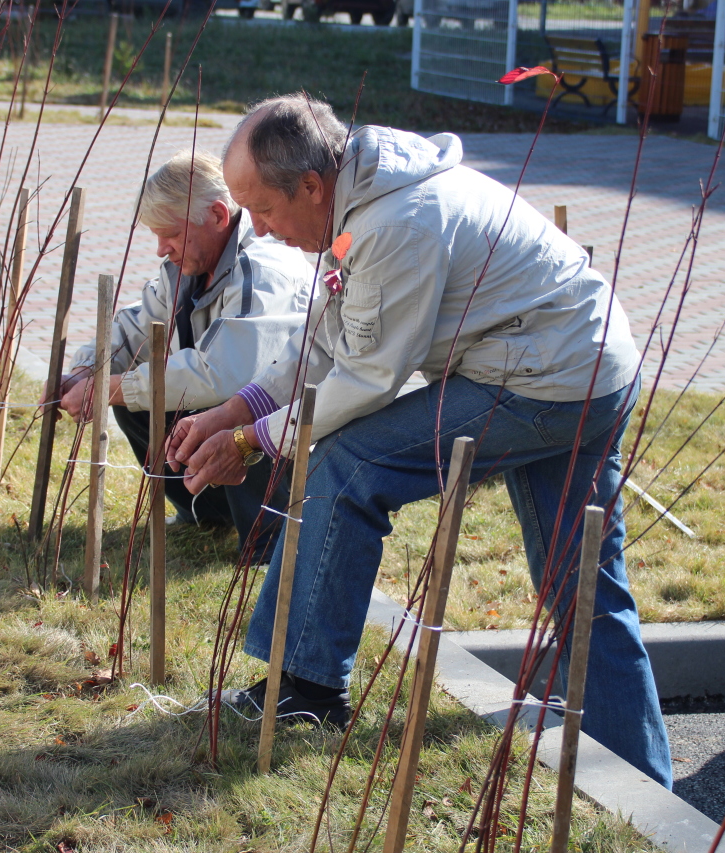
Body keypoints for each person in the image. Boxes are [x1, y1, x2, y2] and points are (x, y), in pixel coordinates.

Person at [166, 96, 674, 789]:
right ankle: (638, 775)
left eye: (265, 211)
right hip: (585, 363)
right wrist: (235, 409)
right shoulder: (362, 201)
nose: (261, 230)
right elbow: (328, 341)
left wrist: (254, 440)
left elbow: (368, 376)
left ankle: (306, 692)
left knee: (345, 465)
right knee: (581, 579)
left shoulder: (395, 223)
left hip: (544, 375)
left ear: (311, 186)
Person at [58, 150, 313, 563]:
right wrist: (90, 369)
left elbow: (224, 374)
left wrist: (110, 388)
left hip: (286, 415)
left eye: (170, 234)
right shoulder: (188, 263)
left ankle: (270, 540)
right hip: (234, 397)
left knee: (234, 407)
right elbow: (139, 327)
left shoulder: (263, 270)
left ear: (216, 215)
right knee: (138, 403)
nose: (161, 249)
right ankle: (209, 513)